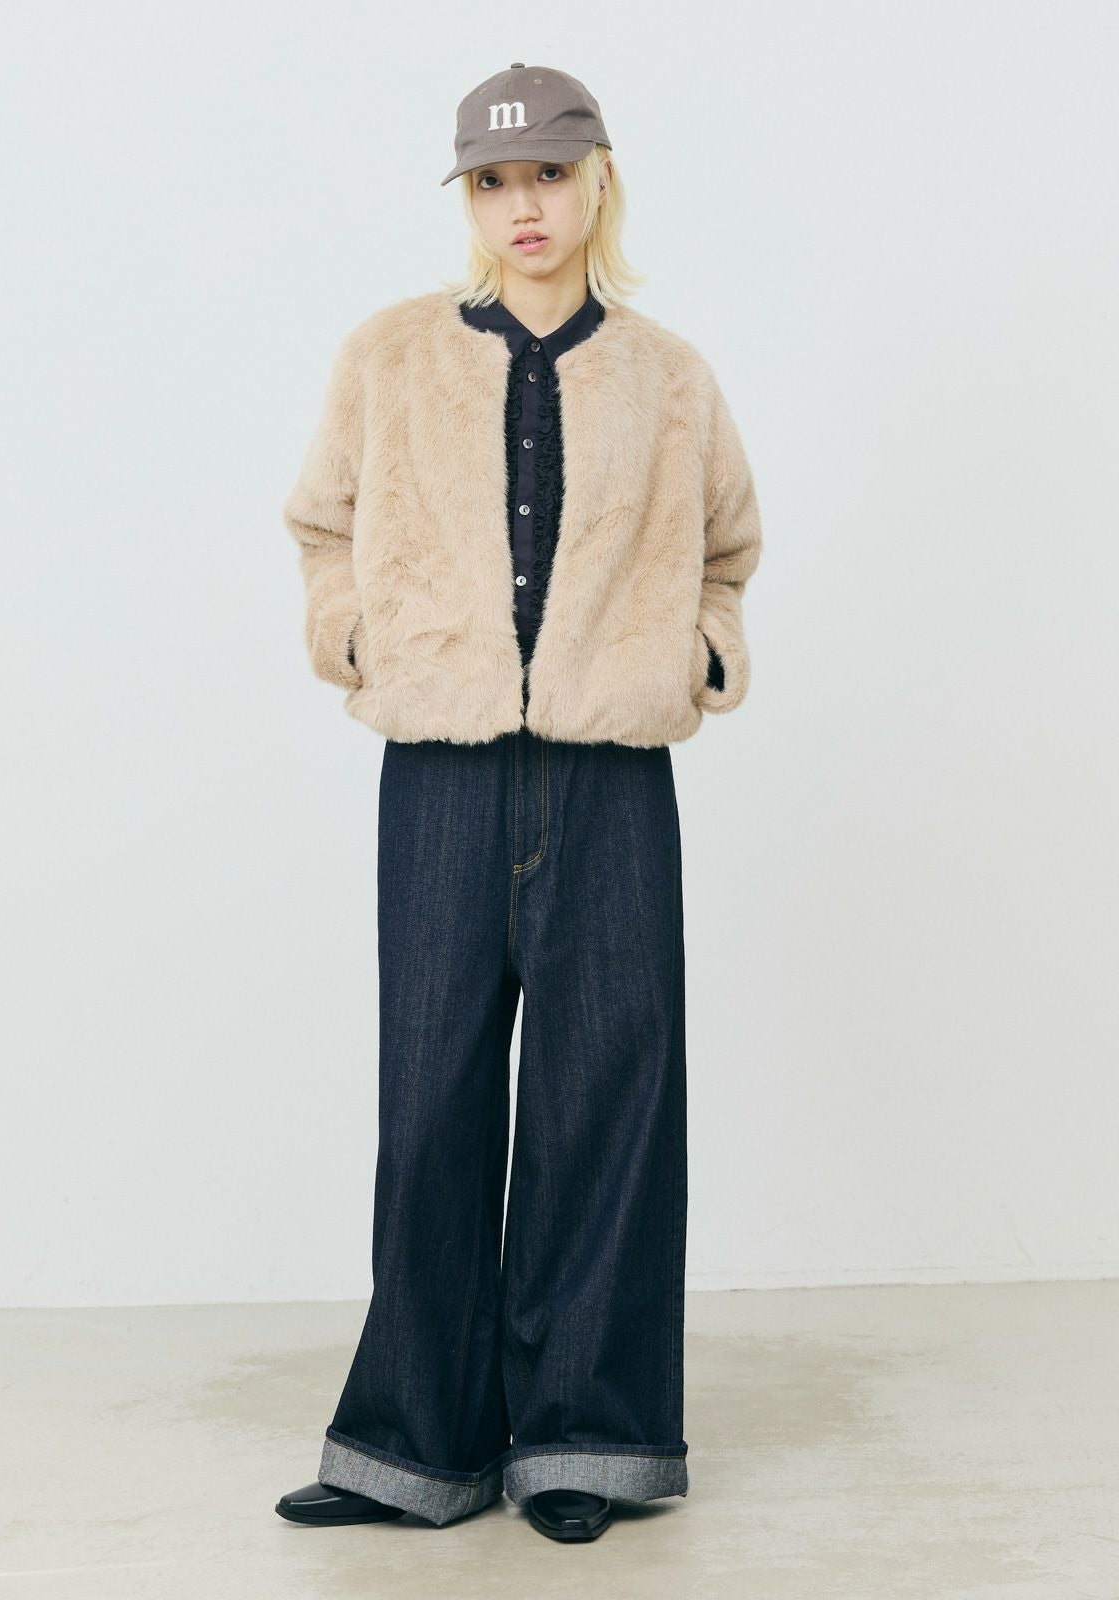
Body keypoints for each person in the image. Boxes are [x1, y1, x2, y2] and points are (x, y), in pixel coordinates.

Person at [274, 62, 762, 1544]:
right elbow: (322, 527)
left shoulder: (670, 376)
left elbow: (729, 551)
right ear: (469, 198)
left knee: (606, 1096)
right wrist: (355, 634)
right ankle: (413, 1446)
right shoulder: (389, 355)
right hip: (443, 767)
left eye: (548, 174)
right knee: (430, 1098)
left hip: (611, 774)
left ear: (598, 178)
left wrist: (697, 650)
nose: (522, 206)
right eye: (492, 182)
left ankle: (586, 1444)